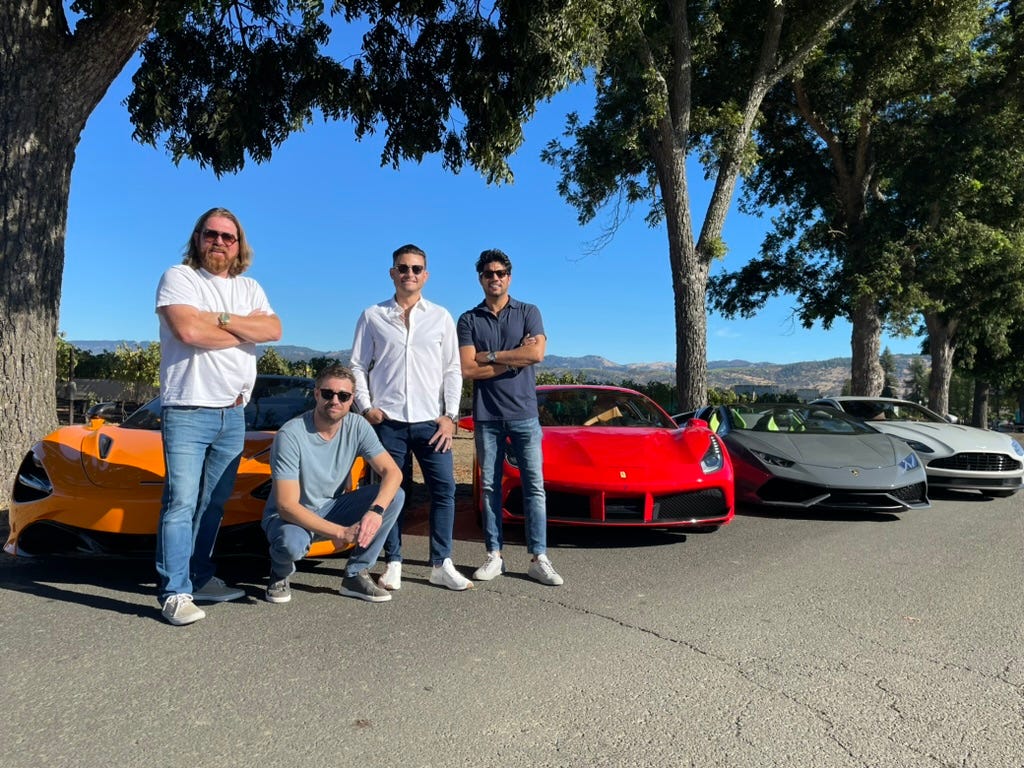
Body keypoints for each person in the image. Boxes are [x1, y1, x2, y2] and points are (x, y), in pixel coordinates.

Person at [155, 207, 282, 626]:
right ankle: (174, 591)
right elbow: (188, 332)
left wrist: (221, 319)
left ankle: (199, 576)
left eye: (229, 237)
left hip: (234, 412)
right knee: (181, 502)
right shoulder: (180, 278)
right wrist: (243, 330)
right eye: (212, 234)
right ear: (198, 238)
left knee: (212, 505)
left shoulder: (250, 287)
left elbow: (274, 330)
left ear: (239, 245)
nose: (220, 243)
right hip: (189, 407)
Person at [350, 244, 471, 591]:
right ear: (392, 273)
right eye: (403, 268)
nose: (410, 274)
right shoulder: (373, 315)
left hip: (431, 423)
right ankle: (394, 562)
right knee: (393, 492)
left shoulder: (440, 317)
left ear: (426, 275)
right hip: (386, 422)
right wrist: (365, 407)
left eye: (416, 269)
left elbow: (452, 369)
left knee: (444, 490)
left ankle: (441, 563)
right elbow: (357, 364)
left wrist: (450, 416)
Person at [456, 249, 563, 586]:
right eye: (488, 273)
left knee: (534, 486)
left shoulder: (529, 311)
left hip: (524, 415)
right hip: (487, 417)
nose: (495, 278)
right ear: (481, 279)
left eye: (500, 272)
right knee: (489, 487)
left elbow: (537, 353)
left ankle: (538, 557)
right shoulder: (469, 320)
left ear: (509, 277)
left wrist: (492, 356)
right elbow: (467, 367)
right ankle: (494, 555)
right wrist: (515, 358)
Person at [262, 365, 405, 603]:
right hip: (290, 517)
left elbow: (392, 472)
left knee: (395, 495)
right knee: (290, 545)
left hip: (331, 506)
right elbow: (286, 505)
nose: (335, 400)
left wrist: (376, 511)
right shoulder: (291, 434)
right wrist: (340, 532)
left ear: (352, 400)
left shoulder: (358, 426)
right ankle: (280, 571)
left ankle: (356, 573)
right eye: (328, 393)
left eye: (344, 396)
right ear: (316, 394)